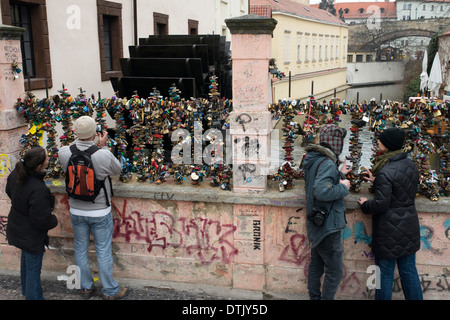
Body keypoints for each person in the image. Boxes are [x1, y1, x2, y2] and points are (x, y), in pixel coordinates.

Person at [58, 116, 127, 300]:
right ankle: (110, 290)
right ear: (95, 133)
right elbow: (117, 169)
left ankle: (86, 287)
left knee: (80, 248)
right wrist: (102, 145)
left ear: (75, 132)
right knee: (103, 249)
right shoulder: (101, 154)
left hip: (76, 209)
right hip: (99, 211)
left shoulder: (64, 152)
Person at [358, 127, 422, 300]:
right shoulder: (410, 165)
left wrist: (365, 204)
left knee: (384, 275)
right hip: (409, 228)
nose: (378, 142)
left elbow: (380, 204)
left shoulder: (386, 171)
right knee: (409, 272)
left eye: (380, 140)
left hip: (388, 232)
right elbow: (400, 188)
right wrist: (377, 180)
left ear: (387, 145)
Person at [302, 124, 351, 300]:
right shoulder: (328, 163)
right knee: (335, 271)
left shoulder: (314, 159)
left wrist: (340, 174)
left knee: (316, 264)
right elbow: (322, 191)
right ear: (336, 143)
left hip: (315, 221)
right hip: (328, 224)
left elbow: (319, 181)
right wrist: (344, 187)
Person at [5, 147, 58, 300]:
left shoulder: (16, 174)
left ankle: (26, 290)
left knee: (26, 263)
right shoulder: (38, 188)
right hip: (31, 234)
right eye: (47, 159)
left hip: (18, 226)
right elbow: (41, 218)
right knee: (33, 270)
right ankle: (33, 295)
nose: (49, 160)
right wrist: (54, 220)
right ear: (39, 166)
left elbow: (9, 191)